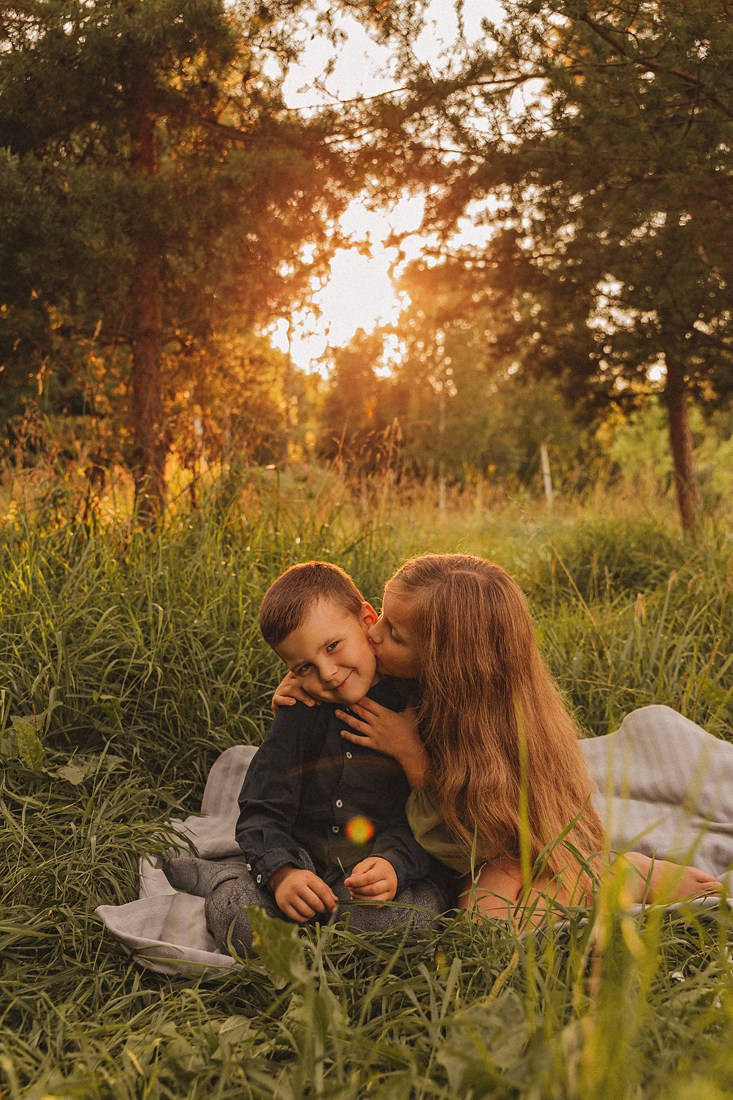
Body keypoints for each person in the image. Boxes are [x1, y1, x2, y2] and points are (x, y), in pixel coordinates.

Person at [275, 554, 720, 926]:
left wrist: (412, 756)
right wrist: (299, 682)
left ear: (446, 663)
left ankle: (619, 873)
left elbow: (467, 841)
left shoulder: (489, 729)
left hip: (500, 840)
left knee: (490, 926)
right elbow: (335, 665)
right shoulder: (404, 676)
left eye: (393, 633)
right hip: (469, 849)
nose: (372, 634)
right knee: (490, 925)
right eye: (384, 619)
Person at [163, 561, 452, 957]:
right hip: (303, 860)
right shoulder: (301, 706)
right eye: (305, 667)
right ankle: (224, 878)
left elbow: (429, 818)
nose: (329, 674)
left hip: (382, 873)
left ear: (367, 621)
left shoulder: (416, 710)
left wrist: (392, 867)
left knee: (411, 921)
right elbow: (262, 806)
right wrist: (283, 874)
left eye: (333, 646)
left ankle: (319, 937)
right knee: (241, 916)